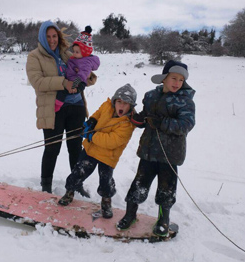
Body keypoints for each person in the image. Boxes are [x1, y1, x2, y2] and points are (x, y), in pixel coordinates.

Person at [116, 60, 195, 237]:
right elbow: (146, 116)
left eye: (181, 80)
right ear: (164, 79)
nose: (177, 83)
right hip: (148, 151)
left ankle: (163, 219)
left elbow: (186, 124)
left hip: (170, 155)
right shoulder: (151, 96)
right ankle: (130, 214)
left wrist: (162, 123)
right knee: (139, 184)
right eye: (173, 78)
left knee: (166, 189)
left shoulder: (185, 102)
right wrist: (138, 120)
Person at [26, 20, 96, 196]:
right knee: (52, 148)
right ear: (42, 37)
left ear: (58, 36)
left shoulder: (66, 53)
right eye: (48, 36)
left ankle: (77, 183)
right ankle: (46, 186)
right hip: (53, 109)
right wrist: (63, 82)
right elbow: (37, 82)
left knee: (75, 148)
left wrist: (88, 78)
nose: (52, 40)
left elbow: (83, 69)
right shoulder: (35, 57)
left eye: (54, 36)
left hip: (76, 106)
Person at [58, 84, 138, 219]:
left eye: (126, 104)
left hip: (108, 156)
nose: (122, 106)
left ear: (131, 106)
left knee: (106, 180)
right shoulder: (107, 106)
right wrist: (91, 121)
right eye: (119, 102)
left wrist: (91, 136)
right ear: (114, 101)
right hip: (91, 150)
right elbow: (98, 113)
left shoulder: (127, 124)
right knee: (79, 171)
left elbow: (111, 141)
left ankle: (106, 202)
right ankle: (69, 192)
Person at [55, 26, 100, 112]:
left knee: (62, 92)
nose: (74, 53)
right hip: (70, 83)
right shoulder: (75, 57)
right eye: (74, 51)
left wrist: (76, 82)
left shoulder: (83, 61)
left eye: (77, 52)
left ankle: (57, 105)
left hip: (76, 84)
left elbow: (86, 75)